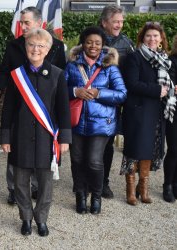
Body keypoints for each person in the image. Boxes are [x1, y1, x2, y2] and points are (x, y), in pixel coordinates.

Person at [0, 6, 66, 205]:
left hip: (44, 110)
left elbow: (61, 76)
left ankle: (37, 189)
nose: (21, 26)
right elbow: (5, 71)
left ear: (40, 24)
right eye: (21, 22)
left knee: (43, 153)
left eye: (26, 23)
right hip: (20, 107)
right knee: (16, 151)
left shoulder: (56, 46)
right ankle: (14, 189)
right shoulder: (14, 45)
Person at [0, 28, 71, 237]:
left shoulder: (58, 75)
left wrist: (65, 138)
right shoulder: (17, 76)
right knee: (20, 183)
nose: (36, 49)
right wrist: (5, 137)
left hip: (47, 139)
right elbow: (8, 109)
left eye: (41, 46)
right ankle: (26, 218)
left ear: (48, 50)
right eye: (32, 45)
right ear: (25, 47)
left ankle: (41, 219)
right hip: (20, 137)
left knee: (46, 184)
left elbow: (63, 109)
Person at [65, 26, 127, 214]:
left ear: (103, 46)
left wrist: (99, 93)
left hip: (102, 122)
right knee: (76, 159)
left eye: (97, 43)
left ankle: (97, 196)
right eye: (89, 42)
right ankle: (81, 195)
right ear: (83, 43)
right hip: (76, 121)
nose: (93, 46)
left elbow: (122, 94)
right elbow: (59, 90)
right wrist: (75, 91)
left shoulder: (110, 67)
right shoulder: (72, 65)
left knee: (94, 161)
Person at [121, 22, 174, 205]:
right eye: (148, 36)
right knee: (134, 149)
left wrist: (169, 91)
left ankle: (143, 189)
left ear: (161, 39)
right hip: (138, 111)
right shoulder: (134, 57)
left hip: (157, 112)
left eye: (156, 36)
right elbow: (131, 84)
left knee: (149, 151)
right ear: (142, 38)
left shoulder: (163, 58)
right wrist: (157, 90)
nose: (152, 39)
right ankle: (130, 190)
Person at [99, 5, 135, 198]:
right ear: (105, 22)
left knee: (107, 143)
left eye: (121, 21)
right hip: (93, 98)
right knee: (88, 143)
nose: (119, 25)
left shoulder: (127, 44)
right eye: (116, 21)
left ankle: (103, 182)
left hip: (114, 101)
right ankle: (86, 180)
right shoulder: (93, 39)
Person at [163, 34, 177, 203]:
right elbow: (172, 86)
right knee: (174, 149)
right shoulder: (172, 60)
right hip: (174, 110)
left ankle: (176, 183)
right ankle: (167, 185)